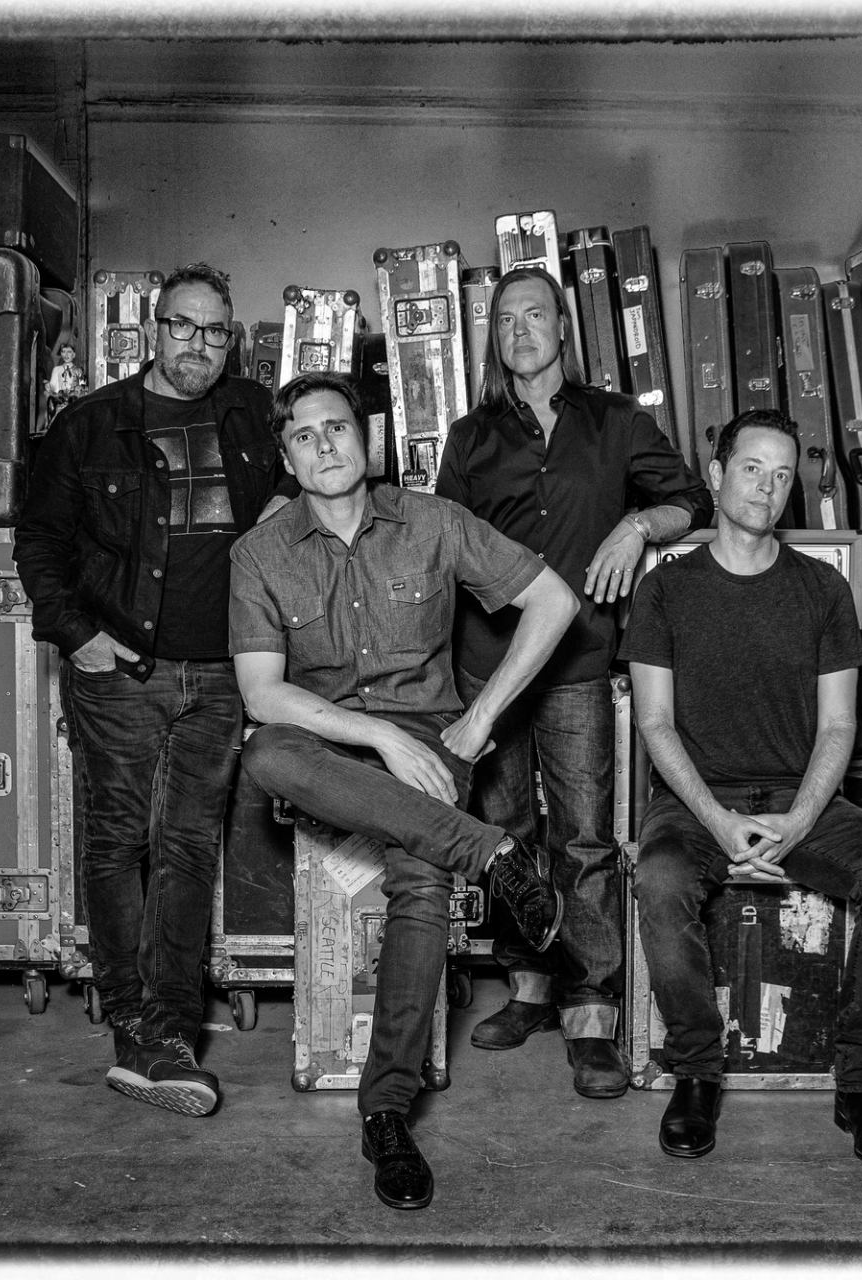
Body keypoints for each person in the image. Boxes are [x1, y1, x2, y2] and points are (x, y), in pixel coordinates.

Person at [230, 371, 578, 1211]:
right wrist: (375, 734)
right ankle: (492, 855)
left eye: (337, 428)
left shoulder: (432, 521)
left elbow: (555, 599)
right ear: (287, 457)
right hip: (326, 745)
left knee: (420, 880)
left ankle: (384, 1112)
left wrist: (478, 720)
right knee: (264, 753)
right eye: (304, 436)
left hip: (432, 744)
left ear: (367, 439)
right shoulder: (260, 553)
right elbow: (261, 695)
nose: (324, 446)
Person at [14, 263, 292, 1119]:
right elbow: (39, 543)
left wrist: (284, 506)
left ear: (230, 338)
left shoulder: (252, 409)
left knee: (187, 847)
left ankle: (166, 1025)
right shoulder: (91, 426)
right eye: (182, 326)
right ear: (152, 328)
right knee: (116, 840)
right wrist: (81, 638)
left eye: (214, 332)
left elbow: (312, 469)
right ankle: (134, 1019)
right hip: (120, 667)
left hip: (219, 673)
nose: (197, 346)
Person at [618, 408, 862, 1171]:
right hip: (697, 802)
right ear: (717, 476)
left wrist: (796, 822)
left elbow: (836, 729)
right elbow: (655, 724)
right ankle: (696, 1071)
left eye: (782, 473)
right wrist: (720, 822)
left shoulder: (822, 590)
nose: (766, 485)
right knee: (658, 879)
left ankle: (861, 1085)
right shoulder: (665, 591)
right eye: (751, 467)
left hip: (803, 798)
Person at [437, 265, 711, 1099]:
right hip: (489, 664)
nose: (521, 329)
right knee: (508, 836)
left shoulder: (617, 421)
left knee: (585, 836)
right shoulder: (470, 436)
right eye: (506, 318)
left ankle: (591, 1009)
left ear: (563, 327)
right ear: (495, 338)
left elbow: (690, 501)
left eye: (536, 314)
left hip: (580, 663)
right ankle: (532, 986)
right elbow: (442, 544)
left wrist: (635, 523)